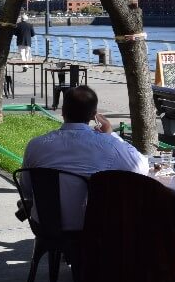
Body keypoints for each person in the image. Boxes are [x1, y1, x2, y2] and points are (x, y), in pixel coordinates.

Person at [22, 85, 148, 229]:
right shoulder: (108, 145)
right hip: (93, 228)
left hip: (45, 226)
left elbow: (26, 189)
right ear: (93, 115)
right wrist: (111, 135)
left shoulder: (36, 145)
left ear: (62, 112)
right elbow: (141, 167)